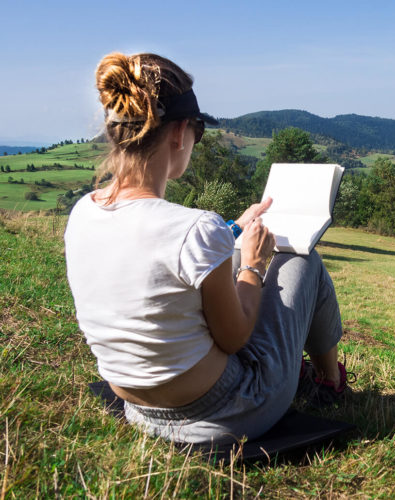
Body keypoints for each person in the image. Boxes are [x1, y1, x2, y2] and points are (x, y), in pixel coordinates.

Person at [64, 52, 349, 446]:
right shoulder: (195, 228)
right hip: (226, 411)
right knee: (303, 260)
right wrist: (252, 264)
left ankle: (319, 376)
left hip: (137, 409)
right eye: (198, 132)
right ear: (179, 133)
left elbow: (162, 258)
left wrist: (233, 229)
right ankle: (330, 382)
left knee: (232, 261)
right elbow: (235, 339)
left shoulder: (83, 212)